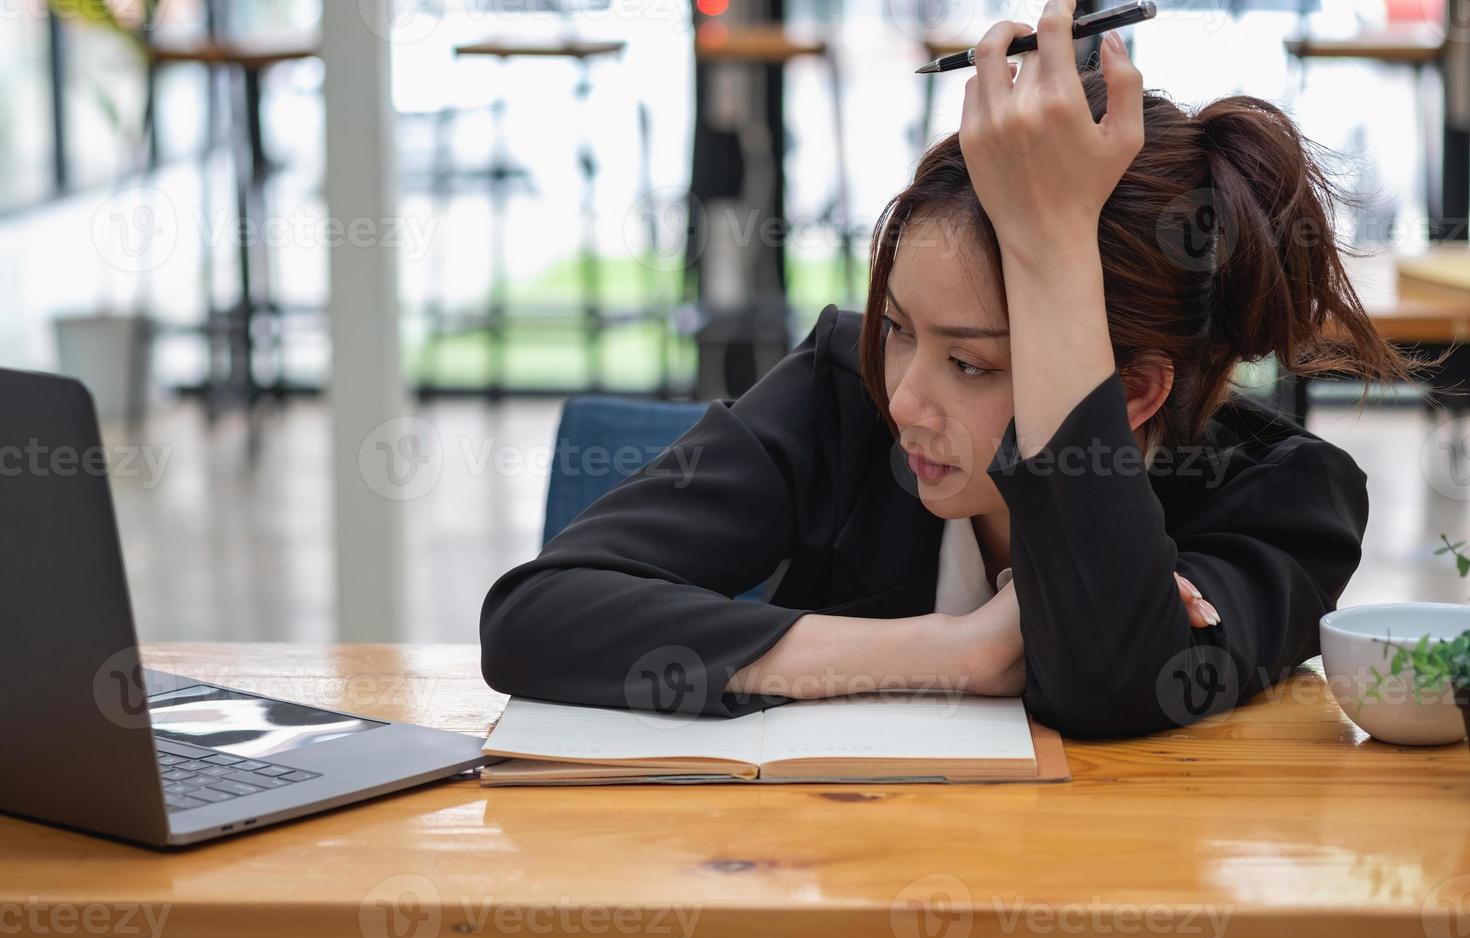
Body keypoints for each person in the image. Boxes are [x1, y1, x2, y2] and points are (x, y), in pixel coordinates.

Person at [480, 0, 1429, 738]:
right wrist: (942, 653)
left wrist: (1054, 248)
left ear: (1137, 391)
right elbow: (535, 617)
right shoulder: (837, 396)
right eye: (898, 327)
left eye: (970, 363)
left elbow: (1108, 682)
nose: (904, 399)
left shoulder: (1283, 502)